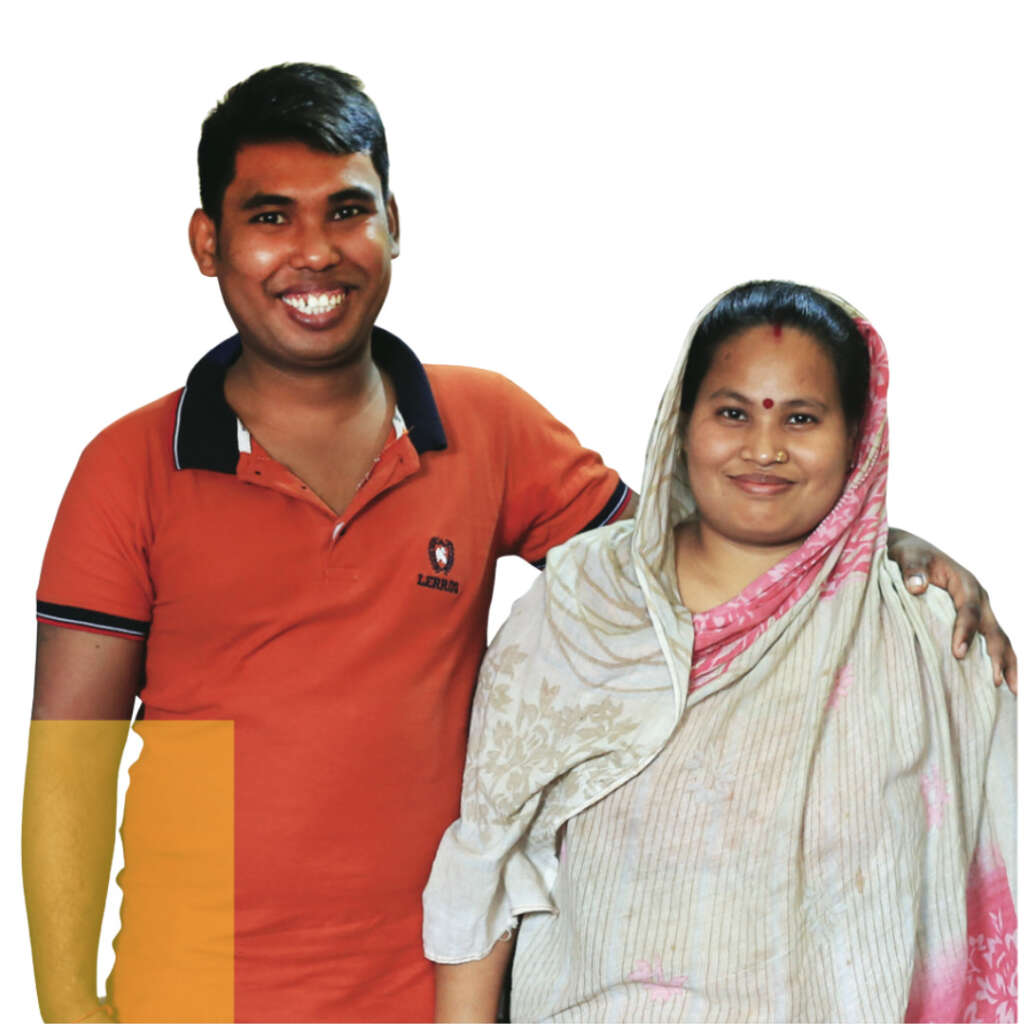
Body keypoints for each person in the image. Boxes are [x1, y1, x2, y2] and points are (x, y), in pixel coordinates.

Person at [20, 60, 1010, 1022]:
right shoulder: (131, 465)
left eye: (348, 210)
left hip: (432, 988)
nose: (314, 251)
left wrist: (880, 536)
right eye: (270, 216)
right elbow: (71, 755)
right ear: (207, 240)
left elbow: (697, 546)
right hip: (193, 993)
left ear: (394, 226)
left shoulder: (484, 425)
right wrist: (70, 1005)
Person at [423, 282, 1017, 1022]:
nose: (763, 449)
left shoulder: (930, 640)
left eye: (802, 418)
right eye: (732, 413)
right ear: (682, 424)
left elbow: (984, 904)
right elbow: (483, 871)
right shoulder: (579, 613)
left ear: (858, 439)